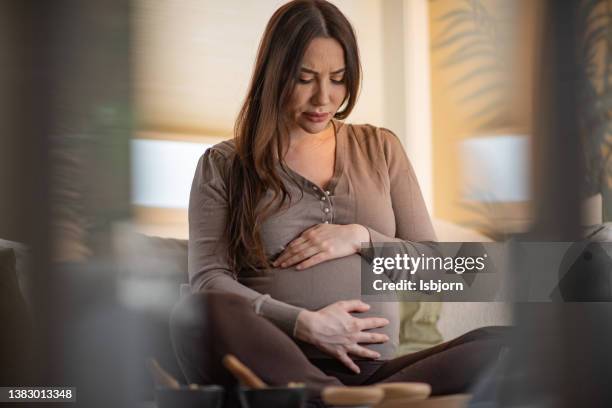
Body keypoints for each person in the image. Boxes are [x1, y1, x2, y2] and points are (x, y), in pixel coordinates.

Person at [171, 0, 506, 404]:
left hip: (375, 372)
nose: (323, 98)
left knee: (506, 343)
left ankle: (344, 400)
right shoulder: (224, 164)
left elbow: (440, 272)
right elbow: (209, 279)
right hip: (274, 363)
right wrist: (304, 324)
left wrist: (361, 238)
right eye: (305, 78)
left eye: (338, 78)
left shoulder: (380, 149)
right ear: (275, 74)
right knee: (202, 309)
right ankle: (326, 395)